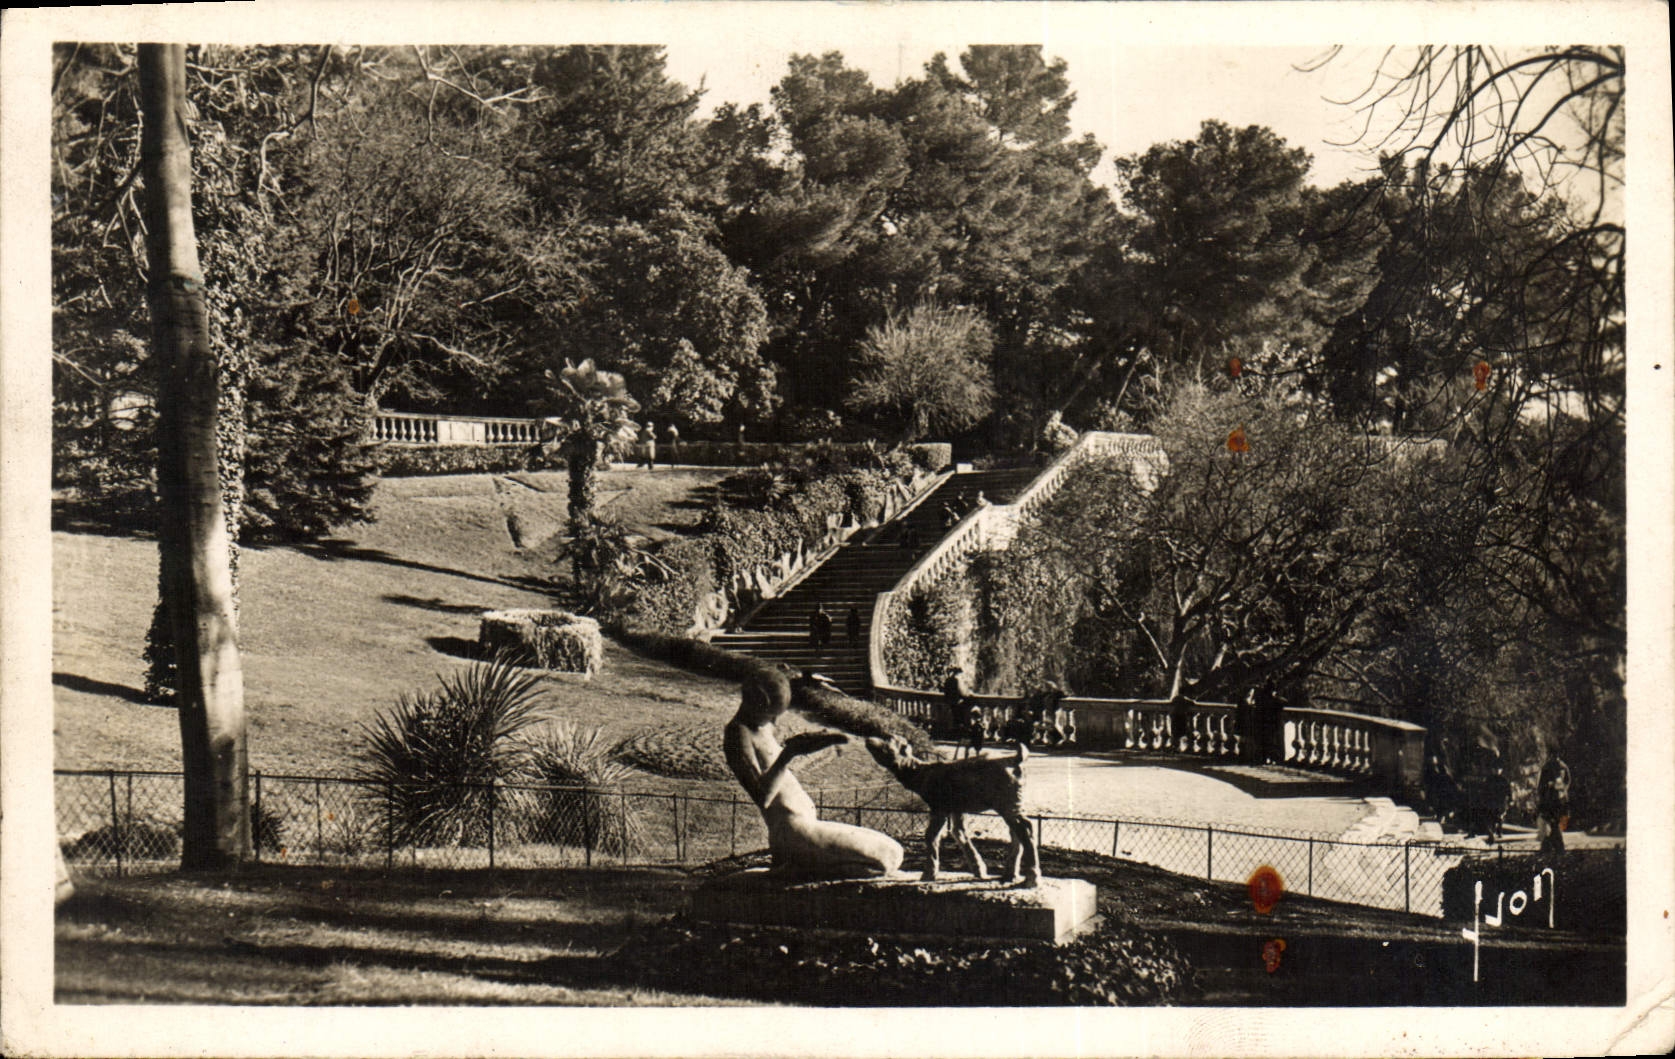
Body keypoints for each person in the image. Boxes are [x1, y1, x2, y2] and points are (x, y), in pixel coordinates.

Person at [725, 670, 903, 879]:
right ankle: (797, 868)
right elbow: (762, 797)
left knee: (895, 852)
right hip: (792, 834)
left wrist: (826, 739)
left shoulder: (762, 725)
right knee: (881, 861)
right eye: (770, 713)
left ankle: (801, 866)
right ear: (756, 702)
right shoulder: (738, 734)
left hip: (808, 826)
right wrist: (788, 754)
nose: (774, 719)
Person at [1536, 746, 1572, 855]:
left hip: (1552, 799)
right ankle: (1554, 846)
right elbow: (1568, 781)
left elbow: (1541, 785)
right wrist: (1563, 789)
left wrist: (1547, 790)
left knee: (1554, 823)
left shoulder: (1548, 766)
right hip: (1558, 799)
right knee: (1555, 823)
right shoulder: (1562, 766)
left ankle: (1551, 847)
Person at [942, 666, 970, 754]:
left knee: (954, 719)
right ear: (958, 673)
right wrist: (967, 695)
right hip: (957, 703)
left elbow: (945, 692)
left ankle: (954, 735)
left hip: (949, 703)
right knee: (960, 719)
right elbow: (961, 692)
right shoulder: (957, 681)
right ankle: (960, 736)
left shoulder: (948, 680)